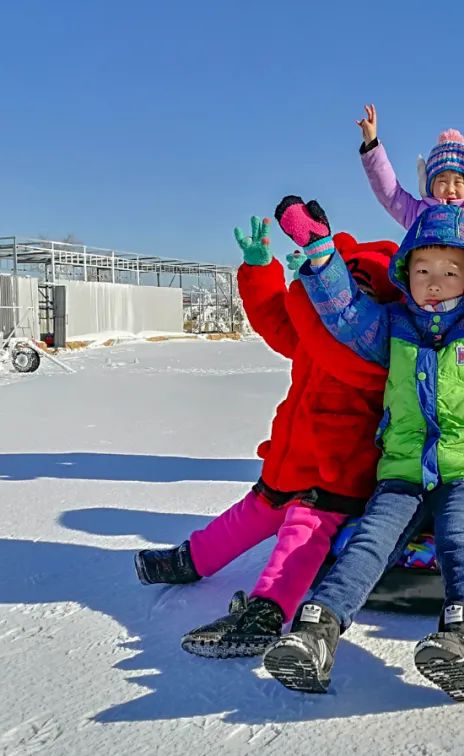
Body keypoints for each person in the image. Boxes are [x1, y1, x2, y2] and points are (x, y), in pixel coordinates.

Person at [261, 169, 464, 701]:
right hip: (404, 468)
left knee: (460, 536)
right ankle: (319, 630)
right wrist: (320, 253)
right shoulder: (393, 327)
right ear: (405, 275)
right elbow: (345, 313)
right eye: (422, 269)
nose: (434, 281)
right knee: (370, 540)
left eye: (449, 271)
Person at [134, 218, 399, 658]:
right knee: (253, 513)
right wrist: (261, 271)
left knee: (303, 532)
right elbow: (277, 320)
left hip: (336, 470)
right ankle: (193, 559)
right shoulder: (315, 333)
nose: (343, 301)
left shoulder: (376, 346)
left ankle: (268, 612)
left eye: (361, 292)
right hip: (291, 457)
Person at [357, 103, 464, 228]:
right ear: (429, 184)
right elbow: (390, 193)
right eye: (442, 181)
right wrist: (372, 146)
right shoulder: (418, 214)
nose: (450, 189)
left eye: (458, 182)